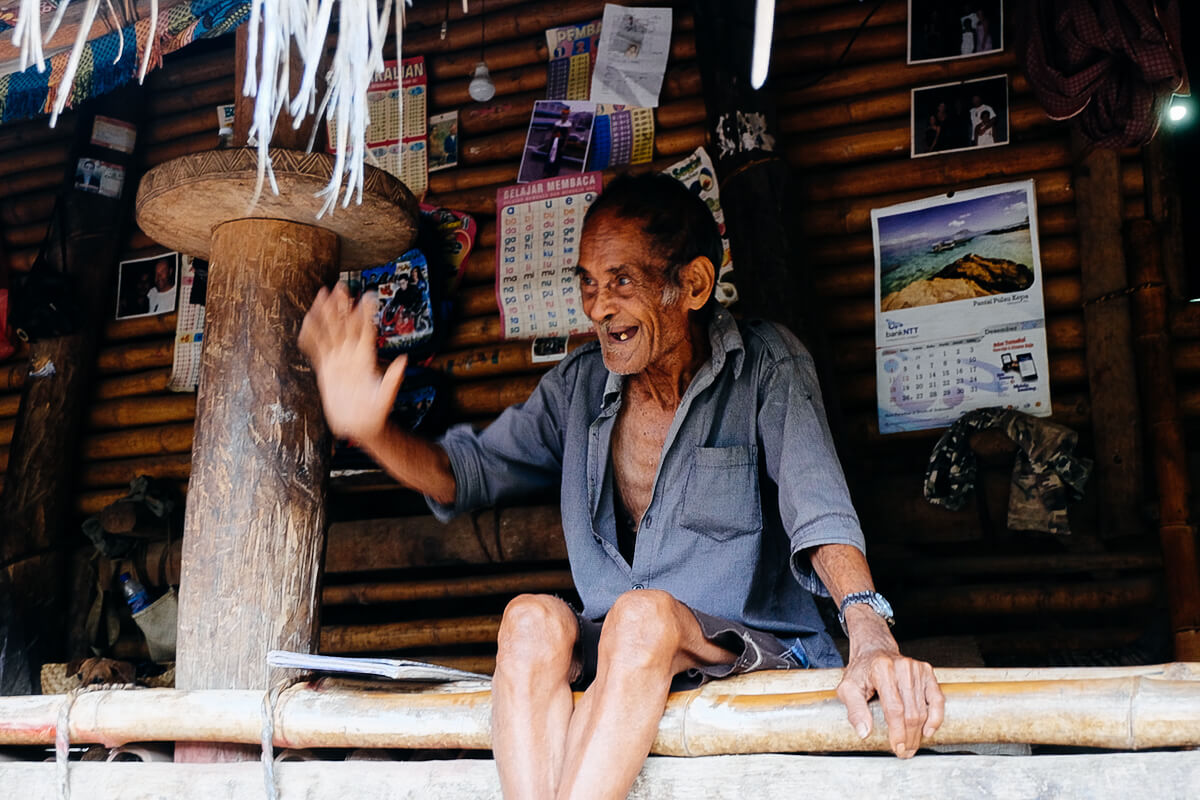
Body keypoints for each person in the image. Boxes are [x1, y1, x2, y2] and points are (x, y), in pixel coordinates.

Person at [299, 174, 943, 800]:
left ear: (691, 285)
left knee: (641, 619)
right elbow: (461, 474)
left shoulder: (765, 365)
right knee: (530, 620)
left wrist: (870, 632)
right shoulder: (578, 387)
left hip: (748, 652)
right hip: (620, 662)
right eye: (588, 283)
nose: (599, 307)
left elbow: (819, 511)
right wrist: (370, 431)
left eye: (622, 282)